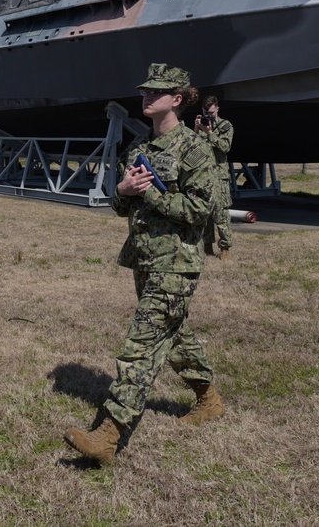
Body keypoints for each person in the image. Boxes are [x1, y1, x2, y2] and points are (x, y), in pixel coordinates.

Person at [63, 63, 225, 464]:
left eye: (157, 92)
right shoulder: (139, 150)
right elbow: (122, 208)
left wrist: (150, 195)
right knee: (175, 336)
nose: (147, 97)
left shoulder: (195, 149)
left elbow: (201, 210)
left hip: (176, 265)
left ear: (177, 99)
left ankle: (109, 435)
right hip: (145, 261)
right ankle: (209, 398)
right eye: (145, 91)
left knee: (141, 346)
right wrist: (122, 189)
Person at [193, 96, 234, 260]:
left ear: (217, 109)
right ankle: (207, 246)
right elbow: (191, 146)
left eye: (210, 112)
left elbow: (225, 147)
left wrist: (209, 133)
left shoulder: (225, 126)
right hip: (203, 176)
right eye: (205, 112)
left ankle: (225, 248)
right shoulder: (201, 125)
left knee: (221, 214)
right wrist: (196, 129)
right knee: (205, 212)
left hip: (219, 176)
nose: (208, 115)